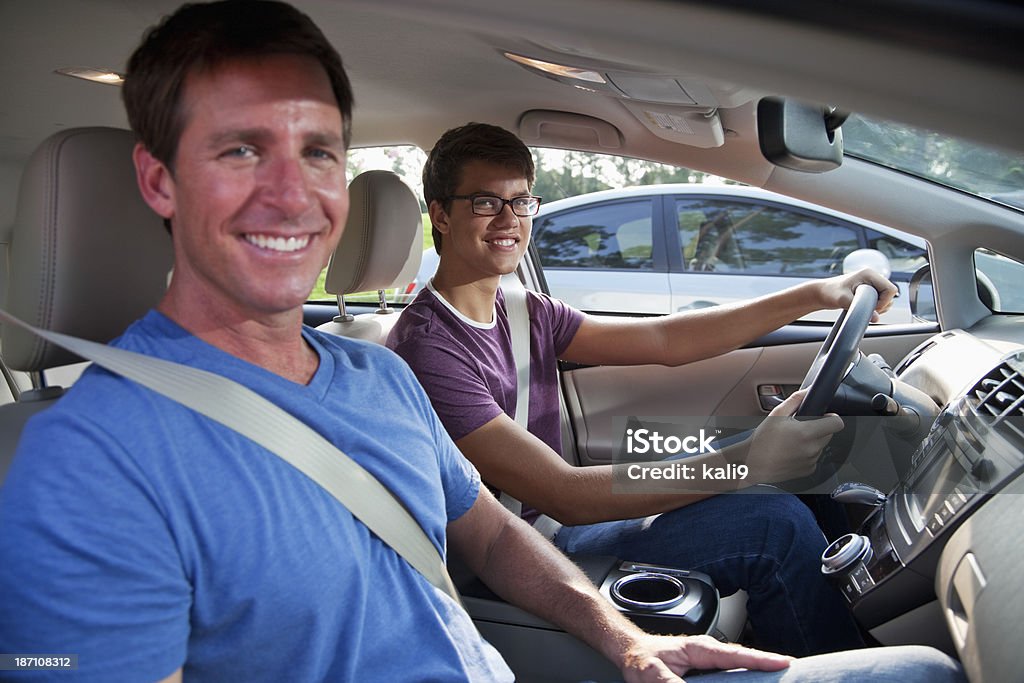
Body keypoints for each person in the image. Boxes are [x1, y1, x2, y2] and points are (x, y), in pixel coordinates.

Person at [0, 3, 964, 682]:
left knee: (916, 663)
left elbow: (503, 524)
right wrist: (742, 466)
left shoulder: (380, 373)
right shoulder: (86, 462)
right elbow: (551, 496)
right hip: (554, 556)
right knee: (785, 531)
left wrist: (624, 639)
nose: (292, 195)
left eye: (321, 150)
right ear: (160, 183)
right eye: (240, 149)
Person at [387, 122, 889, 657]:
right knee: (775, 524)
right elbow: (562, 493)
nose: (510, 220)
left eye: (521, 202)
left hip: (555, 522)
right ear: (440, 214)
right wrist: (748, 462)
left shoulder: (523, 309)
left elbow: (665, 338)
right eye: (487, 203)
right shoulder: (428, 350)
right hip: (527, 550)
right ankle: (848, 668)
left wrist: (816, 293)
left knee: (804, 478)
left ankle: (854, 638)